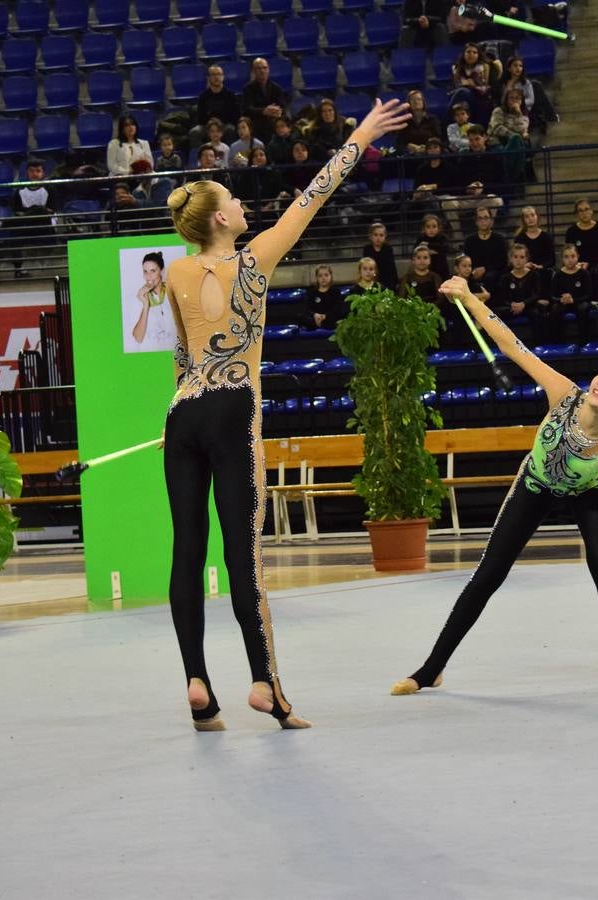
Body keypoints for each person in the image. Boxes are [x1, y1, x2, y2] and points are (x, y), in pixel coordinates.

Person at [161, 98, 410, 729]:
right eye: (237, 202)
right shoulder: (257, 258)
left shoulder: (178, 274)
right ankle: (266, 686)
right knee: (244, 556)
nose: (247, 207)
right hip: (231, 410)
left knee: (187, 551)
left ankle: (196, 678)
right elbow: (316, 193)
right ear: (221, 218)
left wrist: (186, 410)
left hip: (182, 414)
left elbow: (183, 359)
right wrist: (359, 136)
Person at [391, 279, 598, 695]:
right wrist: (469, 296)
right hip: (538, 481)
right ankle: (431, 668)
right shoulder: (563, 394)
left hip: (591, 486)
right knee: (489, 573)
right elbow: (512, 345)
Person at [552, 243, 595, 342]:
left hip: (579, 302)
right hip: (564, 303)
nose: (570, 259)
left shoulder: (584, 273)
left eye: (572, 256)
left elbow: (588, 294)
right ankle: (558, 341)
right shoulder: (558, 275)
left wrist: (573, 300)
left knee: (583, 307)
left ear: (578, 257)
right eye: (566, 257)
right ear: (562, 259)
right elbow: (553, 295)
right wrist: (561, 299)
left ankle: (584, 340)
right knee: (555, 308)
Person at [129, 251, 173, 349]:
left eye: (153, 271)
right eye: (145, 271)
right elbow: (138, 338)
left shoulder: (172, 294)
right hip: (149, 355)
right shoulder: (138, 297)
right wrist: (145, 305)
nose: (148, 276)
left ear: (162, 271)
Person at [190, 65, 240, 148]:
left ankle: (228, 156)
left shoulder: (230, 95)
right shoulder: (203, 96)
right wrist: (212, 123)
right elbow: (200, 117)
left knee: (231, 129)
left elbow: (236, 115)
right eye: (213, 74)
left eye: (219, 74)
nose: (216, 77)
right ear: (208, 78)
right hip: (207, 126)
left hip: (225, 125)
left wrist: (219, 123)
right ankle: (201, 156)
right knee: (194, 132)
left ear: (223, 77)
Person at [241, 57, 289, 142]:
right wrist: (264, 111)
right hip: (256, 121)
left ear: (268, 70)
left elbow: (282, 107)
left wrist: (277, 111)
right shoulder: (248, 89)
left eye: (265, 68)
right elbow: (247, 109)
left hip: (273, 120)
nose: (262, 71)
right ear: (253, 71)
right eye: (259, 68)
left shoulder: (276, 88)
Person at [303, 263, 345, 329]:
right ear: (316, 278)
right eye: (320, 276)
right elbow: (307, 309)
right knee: (304, 318)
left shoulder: (335, 291)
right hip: (315, 319)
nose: (323, 278)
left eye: (326, 275)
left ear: (331, 276)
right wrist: (315, 315)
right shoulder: (312, 292)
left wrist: (325, 316)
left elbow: (338, 309)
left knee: (338, 319)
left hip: (330, 319)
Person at [362, 221, 400, 292]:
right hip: (372, 279)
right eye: (375, 235)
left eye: (381, 235)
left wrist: (396, 282)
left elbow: (392, 266)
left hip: (387, 280)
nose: (378, 238)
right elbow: (364, 266)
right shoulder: (367, 249)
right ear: (370, 236)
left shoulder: (388, 248)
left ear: (385, 236)